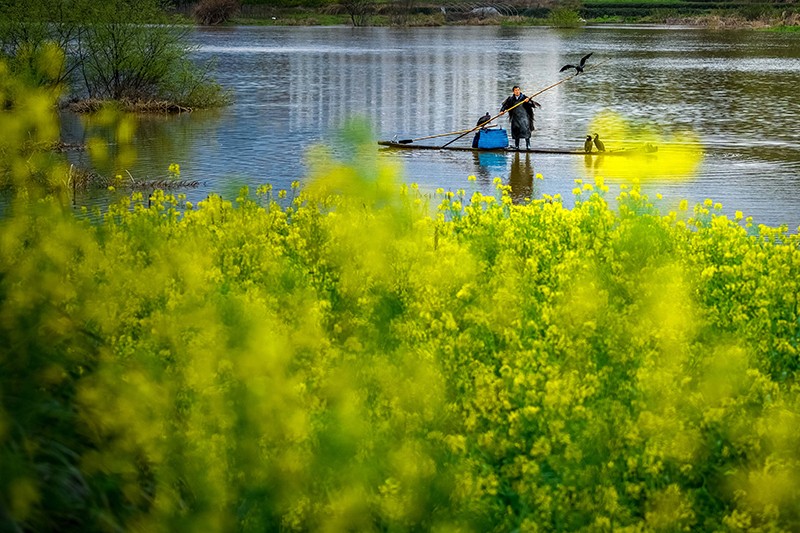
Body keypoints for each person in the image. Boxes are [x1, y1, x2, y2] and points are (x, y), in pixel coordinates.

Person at [499, 86, 540, 150]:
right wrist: (502, 111)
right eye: (515, 90)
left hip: (524, 117)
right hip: (515, 117)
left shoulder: (524, 98)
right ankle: (517, 146)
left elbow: (532, 105)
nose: (517, 91)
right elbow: (505, 105)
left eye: (518, 90)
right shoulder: (511, 99)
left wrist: (528, 101)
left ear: (520, 91)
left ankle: (528, 145)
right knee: (516, 131)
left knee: (526, 130)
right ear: (513, 91)